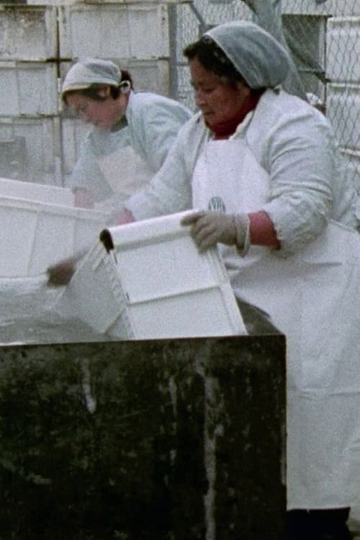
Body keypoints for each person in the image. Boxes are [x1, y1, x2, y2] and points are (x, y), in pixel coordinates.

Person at [117, 22, 360, 540]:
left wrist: (237, 226)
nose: (198, 100)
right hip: (252, 304)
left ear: (244, 83)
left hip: (315, 303)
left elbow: (306, 210)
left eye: (208, 89)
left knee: (311, 437)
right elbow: (160, 198)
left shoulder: (293, 126)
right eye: (195, 88)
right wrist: (104, 241)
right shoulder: (197, 133)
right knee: (259, 440)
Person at [61, 58, 192, 216]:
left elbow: (178, 178)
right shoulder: (98, 137)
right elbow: (84, 184)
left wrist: (134, 213)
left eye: (84, 108)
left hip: (181, 222)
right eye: (78, 113)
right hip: (143, 224)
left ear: (104, 91)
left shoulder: (151, 113)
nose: (85, 119)